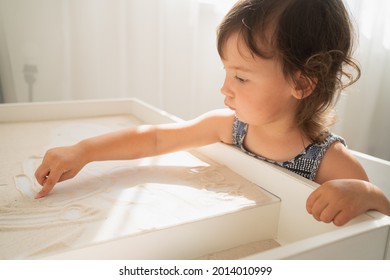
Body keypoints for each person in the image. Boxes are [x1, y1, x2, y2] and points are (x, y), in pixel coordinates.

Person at [34, 0, 390, 226]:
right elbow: (155, 139)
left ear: (301, 84)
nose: (225, 88)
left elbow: (382, 224)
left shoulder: (331, 162)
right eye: (225, 71)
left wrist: (368, 195)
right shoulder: (230, 128)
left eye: (240, 77)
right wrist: (84, 151)